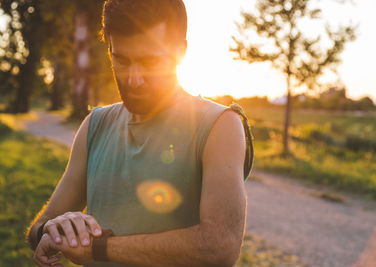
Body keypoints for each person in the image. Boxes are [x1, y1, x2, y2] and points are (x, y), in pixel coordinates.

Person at [26, 0, 254, 266]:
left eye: (150, 62)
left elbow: (219, 246)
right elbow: (37, 230)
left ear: (180, 52)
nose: (134, 79)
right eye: (120, 60)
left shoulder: (220, 126)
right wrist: (53, 230)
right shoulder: (94, 124)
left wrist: (99, 248)